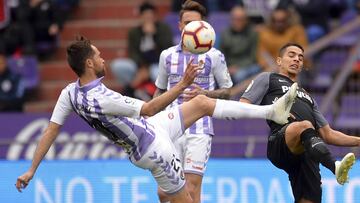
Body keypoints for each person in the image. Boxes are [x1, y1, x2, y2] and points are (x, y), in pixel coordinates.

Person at [15, 36, 298, 203]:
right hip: (152, 148)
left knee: (201, 103)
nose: (103, 59)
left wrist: (31, 170)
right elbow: (149, 108)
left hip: (153, 128)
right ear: (89, 63)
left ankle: (270, 111)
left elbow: (50, 131)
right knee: (186, 199)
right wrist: (182, 84)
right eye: (98, 56)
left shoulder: (70, 93)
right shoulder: (103, 99)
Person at [240, 43, 359, 203]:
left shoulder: (308, 96)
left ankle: (331, 165)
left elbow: (328, 135)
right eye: (291, 55)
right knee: (303, 125)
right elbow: (242, 105)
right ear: (279, 61)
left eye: (300, 57)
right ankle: (334, 166)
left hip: (307, 152)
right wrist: (272, 110)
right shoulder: (268, 78)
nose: (296, 59)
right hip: (280, 142)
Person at [154, 1, 232, 202]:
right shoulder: (167, 56)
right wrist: (152, 120)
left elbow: (227, 92)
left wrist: (206, 93)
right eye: (187, 23)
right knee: (164, 192)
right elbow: (160, 91)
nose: (192, 27)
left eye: (196, 23)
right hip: (170, 126)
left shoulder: (214, 55)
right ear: (180, 25)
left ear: (203, 25)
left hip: (200, 127)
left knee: (192, 187)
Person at [110, 1, 173, 100]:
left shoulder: (164, 29)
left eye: (150, 16)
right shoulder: (134, 32)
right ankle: (135, 90)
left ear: (155, 17)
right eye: (145, 17)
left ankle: (154, 95)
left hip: (157, 64)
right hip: (139, 66)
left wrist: (153, 35)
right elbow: (133, 53)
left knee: (157, 73)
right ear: (140, 17)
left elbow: (167, 51)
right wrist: (142, 68)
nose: (148, 19)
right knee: (118, 65)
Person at [219, 5, 260, 85]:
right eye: (234, 19)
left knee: (245, 74)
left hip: (248, 65)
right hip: (230, 66)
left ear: (246, 20)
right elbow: (221, 55)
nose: (236, 22)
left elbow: (253, 56)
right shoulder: (225, 34)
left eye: (240, 19)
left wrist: (238, 67)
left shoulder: (253, 33)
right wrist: (227, 67)